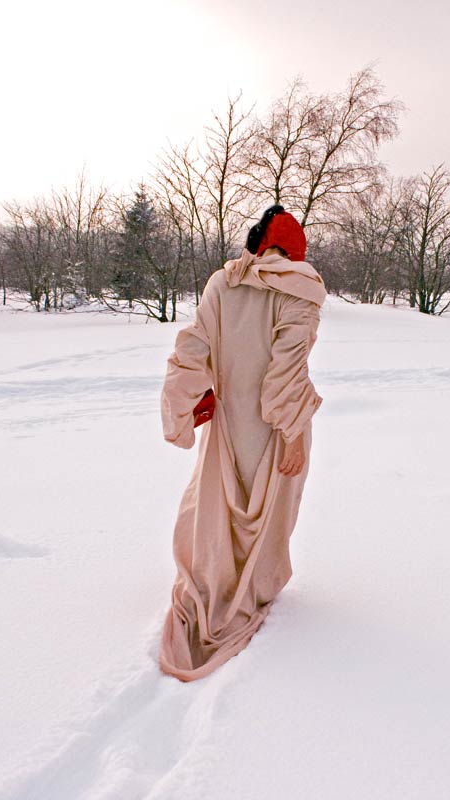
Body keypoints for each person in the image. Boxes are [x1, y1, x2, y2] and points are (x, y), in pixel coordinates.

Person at [158, 205, 326, 681]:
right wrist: (292, 432)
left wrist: (188, 405)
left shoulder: (222, 282)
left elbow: (191, 349)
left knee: (221, 510)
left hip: (229, 424)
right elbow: (286, 372)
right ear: (297, 251)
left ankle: (217, 585)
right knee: (267, 514)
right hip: (274, 429)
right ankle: (251, 591)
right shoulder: (301, 288)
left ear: (256, 243)